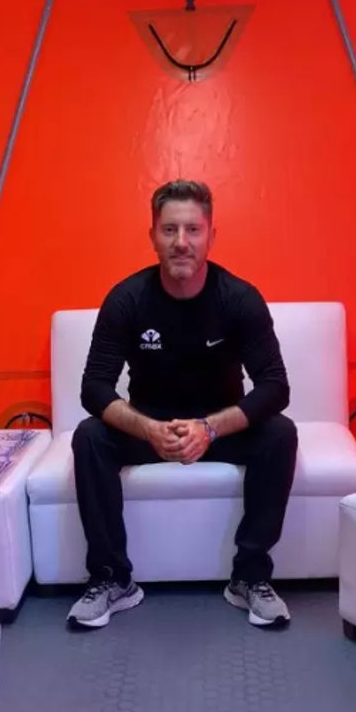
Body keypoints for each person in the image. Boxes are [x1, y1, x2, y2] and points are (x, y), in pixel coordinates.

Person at [68, 179, 298, 629]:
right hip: (150, 429)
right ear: (152, 236)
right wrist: (150, 429)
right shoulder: (127, 300)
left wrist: (209, 429)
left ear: (211, 235)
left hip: (219, 430)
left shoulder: (238, 299)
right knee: (89, 437)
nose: (181, 243)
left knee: (280, 433)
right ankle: (112, 580)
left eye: (192, 230)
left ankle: (249, 578)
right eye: (169, 230)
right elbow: (94, 388)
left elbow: (275, 387)